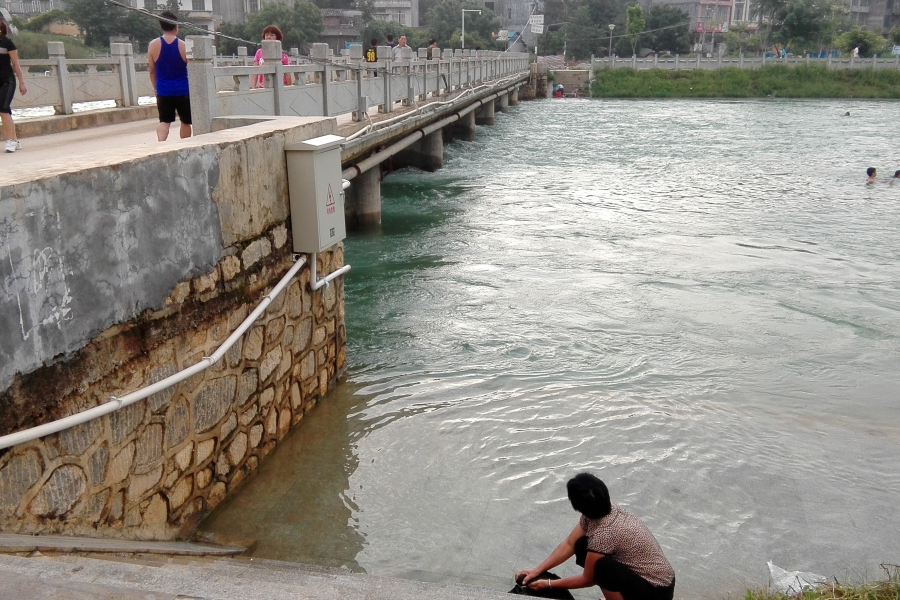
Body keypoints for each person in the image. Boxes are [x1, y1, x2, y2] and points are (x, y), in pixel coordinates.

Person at [516, 473, 675, 600]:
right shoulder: (600, 511)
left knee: (602, 568)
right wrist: (536, 571)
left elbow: (588, 579)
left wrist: (548, 584)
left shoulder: (604, 533)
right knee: (582, 545)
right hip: (644, 578)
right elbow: (570, 543)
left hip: (657, 591)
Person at [147, 11, 191, 141]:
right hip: (183, 90)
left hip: (163, 89)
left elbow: (151, 70)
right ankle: (184, 146)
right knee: (185, 122)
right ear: (176, 26)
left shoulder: (153, 45)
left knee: (164, 121)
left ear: (162, 26)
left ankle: (161, 145)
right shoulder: (183, 46)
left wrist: (156, 88)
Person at [1, 20, 27, 153]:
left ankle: (10, 141)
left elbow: (16, 64)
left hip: (7, 81)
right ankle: (15, 140)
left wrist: (22, 83)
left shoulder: (7, 43)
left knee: (3, 110)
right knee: (5, 110)